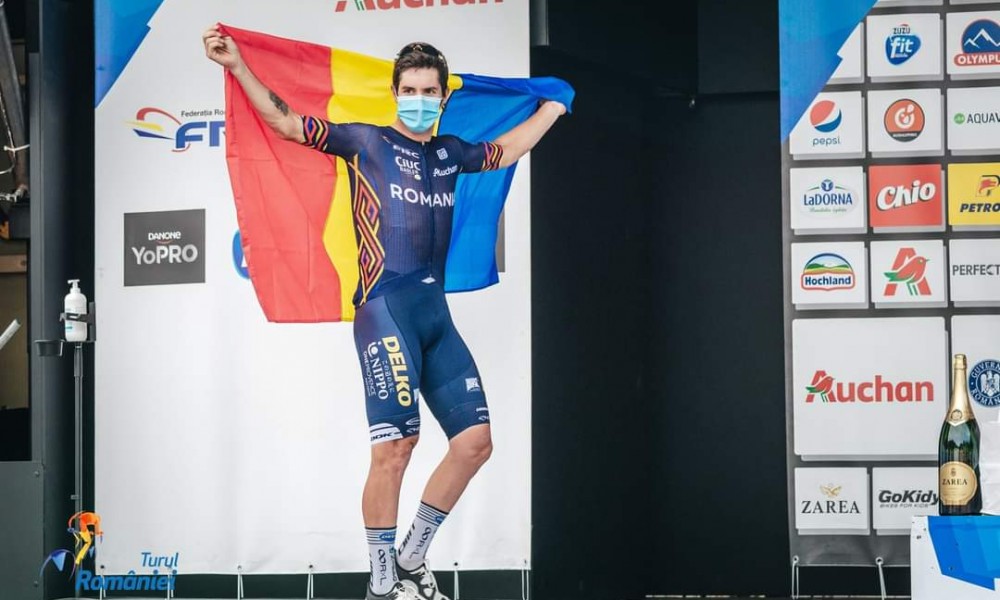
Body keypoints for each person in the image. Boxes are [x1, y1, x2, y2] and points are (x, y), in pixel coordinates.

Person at [203, 25, 566, 600]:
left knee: (474, 443)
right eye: (410, 91)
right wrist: (239, 66)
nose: (419, 101)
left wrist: (554, 107)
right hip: (385, 311)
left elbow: (506, 149)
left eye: (429, 92)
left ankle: (412, 559)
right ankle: (380, 585)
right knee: (396, 448)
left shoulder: (450, 153)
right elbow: (288, 123)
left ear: (442, 97)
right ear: (395, 93)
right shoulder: (366, 143)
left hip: (435, 317)